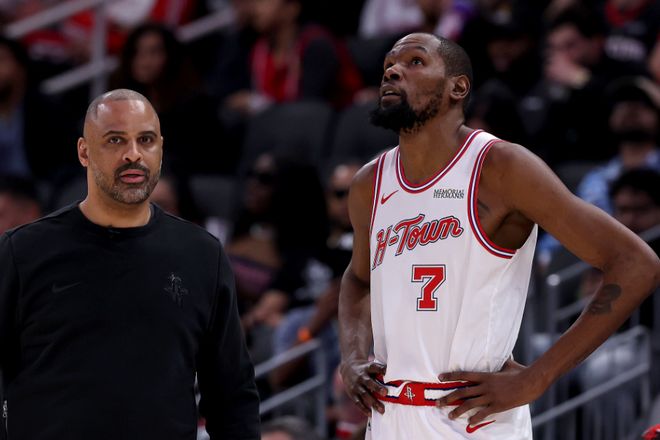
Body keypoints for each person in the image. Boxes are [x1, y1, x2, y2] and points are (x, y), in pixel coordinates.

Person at [338, 33, 660, 439]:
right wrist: (352, 357)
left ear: (458, 88)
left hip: (471, 420)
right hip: (390, 417)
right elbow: (358, 279)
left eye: (415, 61)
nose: (392, 71)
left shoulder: (501, 167)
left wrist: (536, 378)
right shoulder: (370, 183)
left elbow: (636, 264)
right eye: (389, 65)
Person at [0, 89, 260, 440]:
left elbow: (233, 395)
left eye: (146, 140)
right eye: (115, 140)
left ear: (161, 149)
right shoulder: (22, 252)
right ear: (84, 152)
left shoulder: (201, 255)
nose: (133, 154)